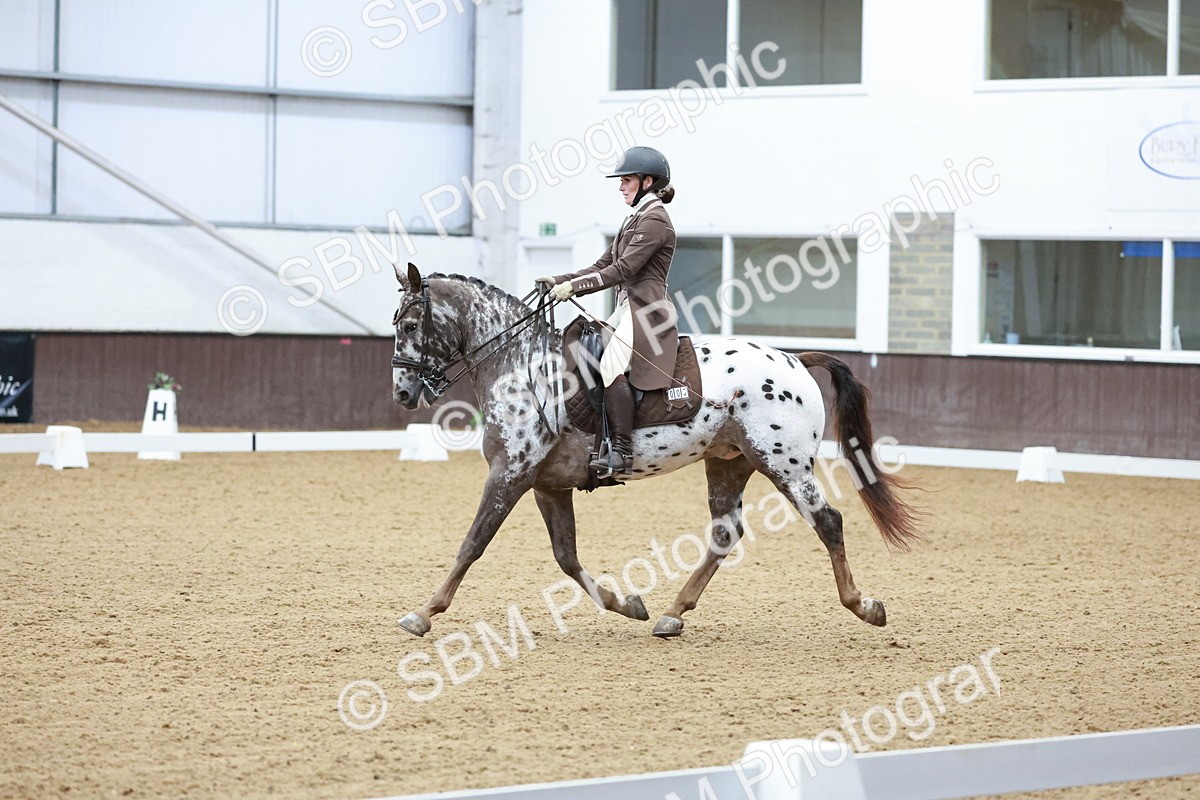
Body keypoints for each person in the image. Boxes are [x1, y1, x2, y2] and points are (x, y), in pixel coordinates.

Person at [535, 146, 679, 476]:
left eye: (627, 180)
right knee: (586, 353)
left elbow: (624, 270)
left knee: (610, 363)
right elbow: (602, 265)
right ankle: (597, 436)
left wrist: (574, 288)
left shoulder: (655, 220)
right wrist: (560, 280)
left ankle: (623, 451)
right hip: (627, 307)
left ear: (647, 182)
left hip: (647, 310)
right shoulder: (635, 218)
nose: (621, 187)